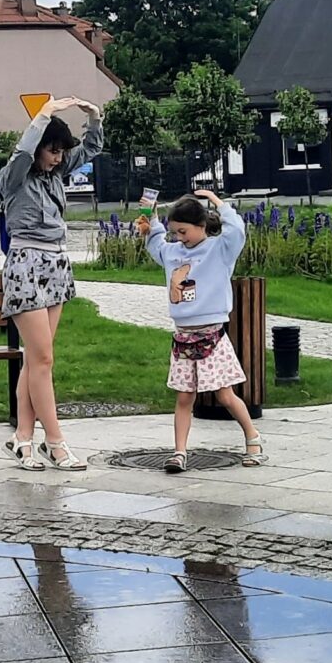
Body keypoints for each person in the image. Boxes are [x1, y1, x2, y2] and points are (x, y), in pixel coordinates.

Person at [0, 97, 101, 471]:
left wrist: (94, 117)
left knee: (34, 360)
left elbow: (90, 149)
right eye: (52, 151)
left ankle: (23, 439)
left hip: (55, 263)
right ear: (39, 146)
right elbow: (23, 154)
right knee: (43, 359)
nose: (57, 158)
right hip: (26, 264)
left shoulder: (55, 174)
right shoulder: (14, 178)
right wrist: (42, 116)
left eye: (60, 152)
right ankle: (55, 443)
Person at [136, 188, 262, 473]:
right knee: (184, 397)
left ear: (202, 226)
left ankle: (252, 438)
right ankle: (179, 452)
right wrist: (149, 217)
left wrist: (220, 203)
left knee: (224, 395)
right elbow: (155, 243)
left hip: (212, 337)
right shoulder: (173, 252)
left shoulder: (220, 249)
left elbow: (237, 231)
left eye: (184, 231)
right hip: (183, 337)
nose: (180, 238)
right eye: (176, 232)